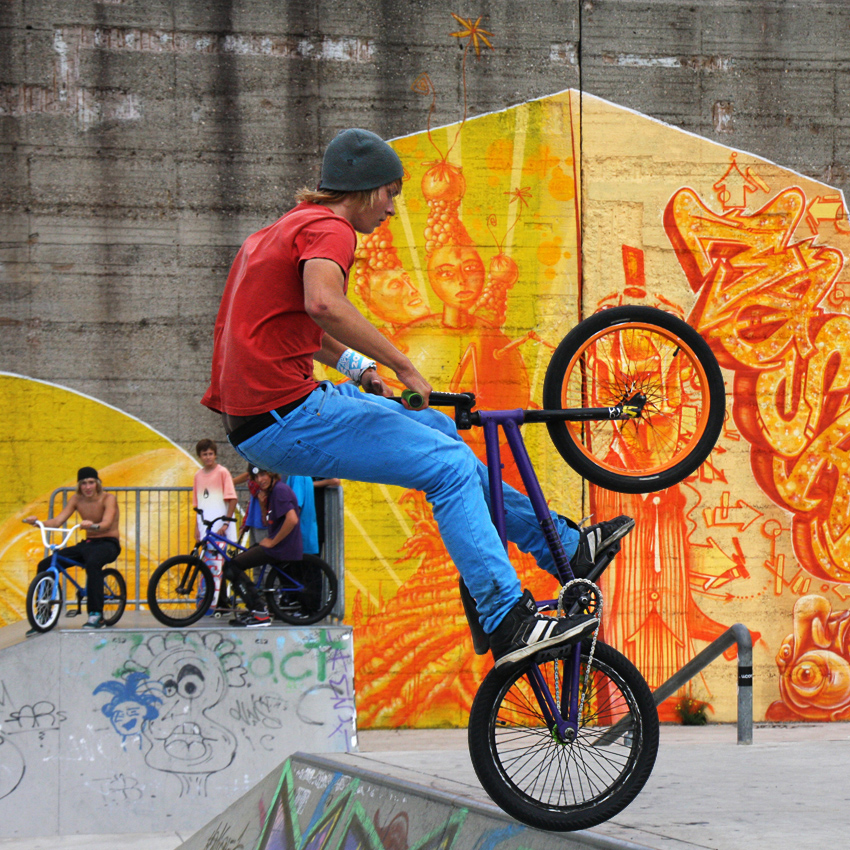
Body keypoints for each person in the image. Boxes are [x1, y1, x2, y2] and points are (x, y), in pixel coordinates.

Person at [202, 127, 634, 667]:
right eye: (389, 194)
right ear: (363, 188)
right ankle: (506, 616)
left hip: (270, 414)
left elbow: (298, 329)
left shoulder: (278, 232)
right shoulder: (330, 229)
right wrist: (403, 365)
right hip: (286, 416)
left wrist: (361, 370)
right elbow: (323, 304)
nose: (390, 209)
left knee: (440, 432)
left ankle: (563, 547)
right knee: (449, 467)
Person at [23, 466, 121, 631]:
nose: (87, 487)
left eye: (91, 482)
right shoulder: (76, 500)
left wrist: (94, 525)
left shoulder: (108, 498)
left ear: (97, 483)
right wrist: (37, 523)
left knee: (93, 563)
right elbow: (56, 522)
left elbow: (107, 523)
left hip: (108, 543)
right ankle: (43, 615)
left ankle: (96, 614)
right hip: (88, 544)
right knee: (45, 565)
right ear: (79, 486)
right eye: (83, 483)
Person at [223, 467, 303, 628]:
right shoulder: (271, 492)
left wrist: (273, 542)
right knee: (239, 562)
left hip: (280, 547)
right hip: (276, 544)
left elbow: (292, 519)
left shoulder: (280, 490)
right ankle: (256, 609)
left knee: (232, 567)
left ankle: (260, 612)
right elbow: (267, 522)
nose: (260, 479)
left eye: (263, 475)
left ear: (272, 474)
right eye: (256, 476)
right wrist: (261, 503)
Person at [192, 438, 237, 609]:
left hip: (221, 527)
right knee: (209, 566)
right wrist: (197, 527)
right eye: (205, 454)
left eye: (211, 454)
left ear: (215, 454)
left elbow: (232, 498)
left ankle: (224, 601)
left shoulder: (222, 472)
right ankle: (212, 602)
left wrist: (226, 523)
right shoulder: (197, 476)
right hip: (206, 528)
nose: (208, 457)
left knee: (223, 564)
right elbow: (197, 505)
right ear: (200, 456)